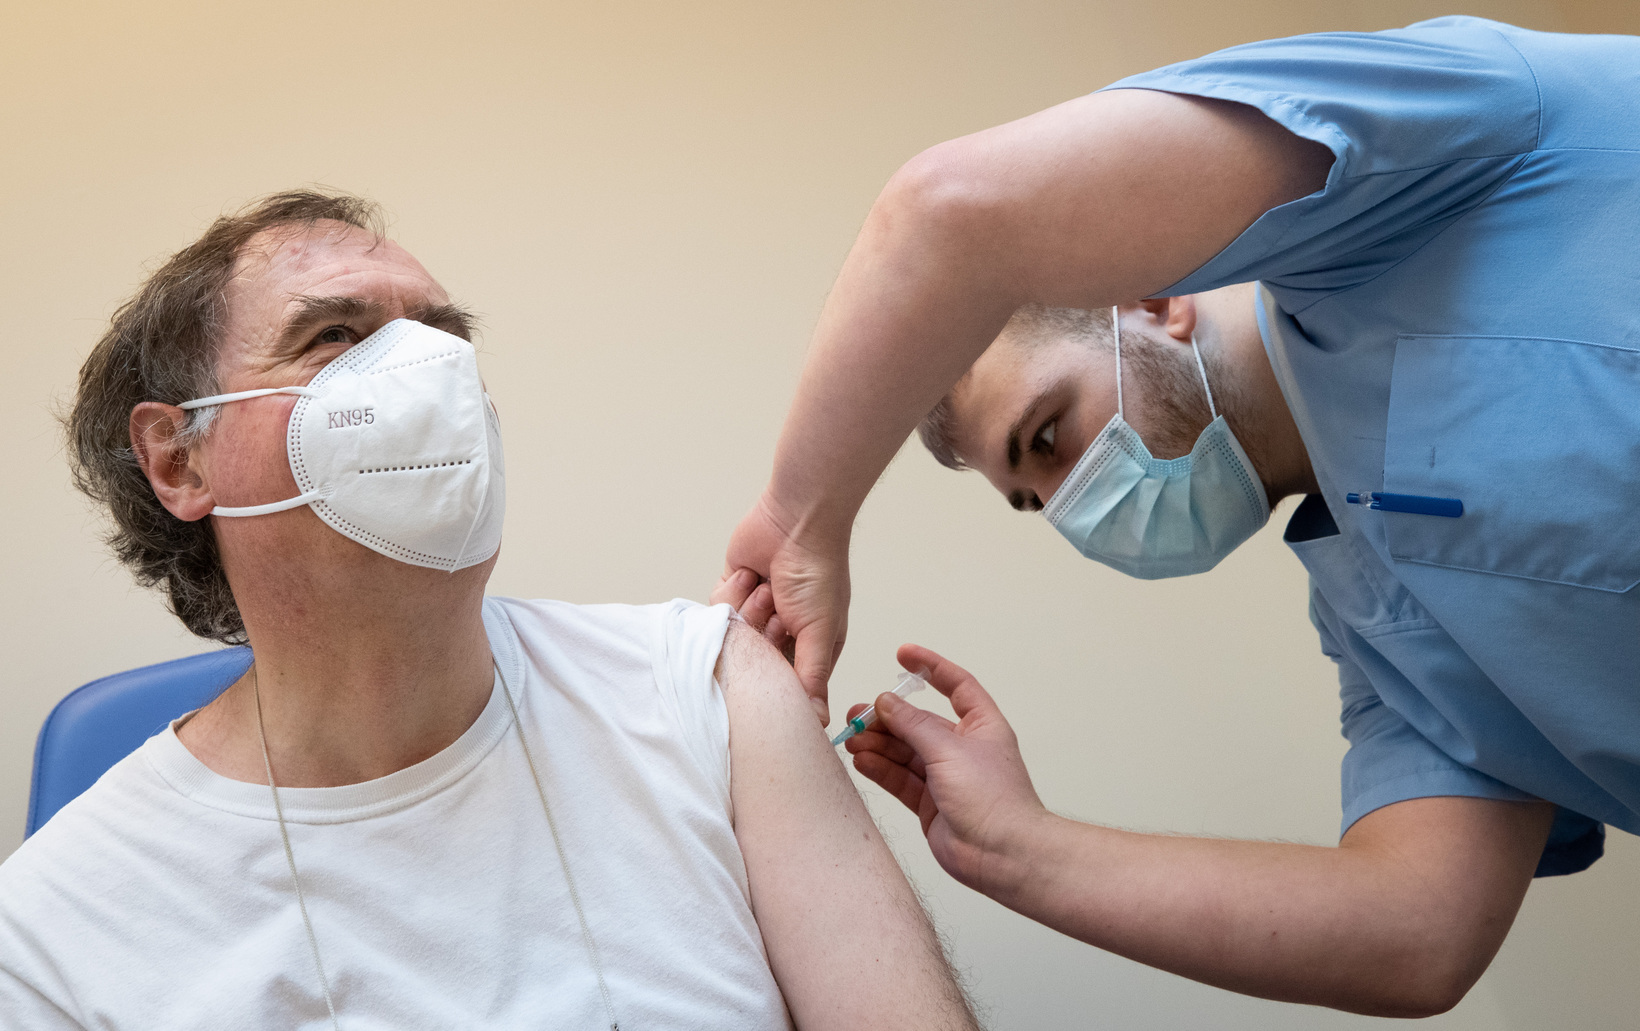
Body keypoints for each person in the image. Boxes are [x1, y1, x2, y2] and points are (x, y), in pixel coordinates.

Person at [719, 15, 1640, 1018]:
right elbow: (1416, 931)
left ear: (1147, 297)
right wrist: (1013, 846)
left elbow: (951, 215)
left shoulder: (1422, 167)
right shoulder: (1384, 627)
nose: (1070, 501)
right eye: (1033, 500)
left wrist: (799, 519)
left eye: (1047, 436)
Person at [0, 190, 979, 1031]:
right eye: (334, 336)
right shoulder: (57, 932)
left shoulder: (701, 691)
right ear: (180, 457)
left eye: (443, 338)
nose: (430, 377)